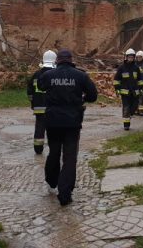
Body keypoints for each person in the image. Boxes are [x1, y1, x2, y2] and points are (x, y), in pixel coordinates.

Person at [38, 49, 98, 206]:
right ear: (71, 60)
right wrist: (81, 97)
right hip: (72, 122)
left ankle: (52, 181)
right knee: (70, 158)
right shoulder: (81, 76)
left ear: (57, 61)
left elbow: (40, 85)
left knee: (54, 152)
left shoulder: (48, 76)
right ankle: (65, 194)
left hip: (52, 122)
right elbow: (93, 96)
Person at [27, 50, 56, 154]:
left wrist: (33, 104)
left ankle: (38, 149)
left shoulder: (36, 75)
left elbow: (29, 91)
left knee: (39, 129)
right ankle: (54, 148)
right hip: (52, 109)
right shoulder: (55, 74)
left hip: (38, 108)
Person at [113, 48, 143, 130]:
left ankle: (130, 114)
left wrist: (141, 88)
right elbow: (116, 80)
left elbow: (140, 79)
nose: (131, 58)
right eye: (129, 57)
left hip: (135, 92)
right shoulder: (122, 68)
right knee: (126, 107)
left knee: (134, 107)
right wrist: (117, 89)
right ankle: (126, 125)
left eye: (132, 57)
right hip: (125, 92)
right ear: (126, 57)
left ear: (134, 57)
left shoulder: (136, 68)